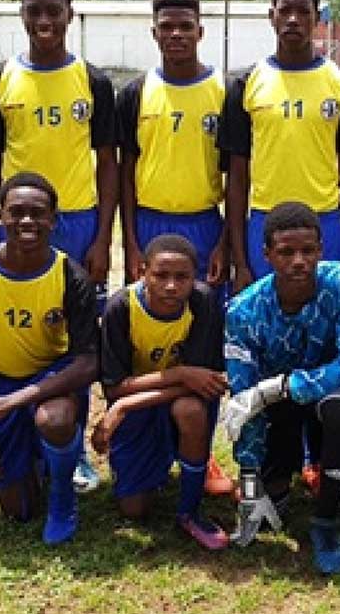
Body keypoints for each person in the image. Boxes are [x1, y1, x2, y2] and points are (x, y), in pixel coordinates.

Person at [0, 0, 118, 493]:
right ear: (22, 15)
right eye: (33, 11)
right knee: (22, 335)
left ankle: (74, 448)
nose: (44, 20)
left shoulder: (94, 81)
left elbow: (108, 162)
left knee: (79, 338)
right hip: (19, 227)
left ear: (69, 15)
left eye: (53, 11)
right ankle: (25, 433)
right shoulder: (0, 82)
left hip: (78, 223)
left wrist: (103, 237)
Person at [116, 0, 233, 496]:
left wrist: (227, 239)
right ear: (155, 32)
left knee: (202, 339)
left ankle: (199, 454)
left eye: (187, 25)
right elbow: (124, 171)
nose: (178, 34)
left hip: (205, 225)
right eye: (168, 26)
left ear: (200, 31)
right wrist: (130, 242)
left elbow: (236, 172)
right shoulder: (135, 93)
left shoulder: (225, 92)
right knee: (148, 335)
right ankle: (142, 435)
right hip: (150, 226)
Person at [0, 173, 99, 546]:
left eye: (37, 213)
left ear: (53, 220)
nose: (27, 221)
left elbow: (87, 363)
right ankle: (38, 460)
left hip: (52, 383)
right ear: (0, 217)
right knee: (18, 512)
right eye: (16, 213)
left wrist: (14, 401)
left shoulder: (70, 276)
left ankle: (63, 496)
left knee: (55, 419)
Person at [222, 202, 340, 574]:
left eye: (308, 251)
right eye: (286, 252)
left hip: (326, 397)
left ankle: (325, 523)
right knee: (272, 492)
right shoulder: (243, 311)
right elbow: (244, 400)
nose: (299, 261)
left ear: (322, 250)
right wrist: (251, 483)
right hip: (278, 413)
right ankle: (272, 487)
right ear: (267, 254)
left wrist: (284, 385)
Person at [218, 0, 340, 294]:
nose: (293, 19)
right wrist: (240, 262)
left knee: (322, 322)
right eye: (285, 11)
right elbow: (238, 179)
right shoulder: (246, 84)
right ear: (272, 16)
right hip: (265, 222)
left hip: (325, 222)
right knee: (267, 325)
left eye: (303, 12)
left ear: (316, 17)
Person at [97, 234, 229, 550]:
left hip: (171, 400)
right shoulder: (121, 308)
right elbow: (115, 386)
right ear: (143, 271)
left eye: (181, 277)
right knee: (134, 510)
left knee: (191, 409)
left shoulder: (204, 302)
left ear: (194, 277)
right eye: (161, 275)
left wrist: (123, 405)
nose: (171, 286)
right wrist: (178, 373)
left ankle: (190, 511)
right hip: (139, 402)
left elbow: (203, 383)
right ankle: (156, 463)